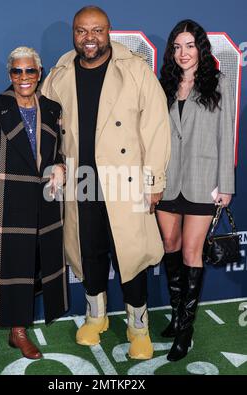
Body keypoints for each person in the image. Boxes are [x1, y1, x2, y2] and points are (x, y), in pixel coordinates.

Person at [41, 6, 170, 360]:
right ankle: (95, 317)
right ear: (74, 33)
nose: (90, 38)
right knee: (89, 252)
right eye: (82, 31)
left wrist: (154, 179)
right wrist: (53, 165)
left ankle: (138, 327)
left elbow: (157, 128)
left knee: (130, 256)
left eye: (97, 30)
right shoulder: (60, 72)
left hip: (125, 180)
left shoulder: (135, 70)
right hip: (81, 180)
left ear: (109, 31)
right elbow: (47, 126)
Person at [0, 47, 68, 366]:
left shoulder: (52, 109)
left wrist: (61, 165)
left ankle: (18, 331)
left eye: (30, 71)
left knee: (25, 272)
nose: (24, 78)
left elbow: (57, 153)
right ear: (9, 75)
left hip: (40, 209)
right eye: (17, 72)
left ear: (40, 73)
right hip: (0, 208)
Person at [156, 19, 235, 361]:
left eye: (189, 45)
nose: (183, 53)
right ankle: (176, 315)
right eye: (177, 46)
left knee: (191, 254)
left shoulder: (218, 83)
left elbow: (226, 137)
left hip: (204, 182)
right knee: (170, 247)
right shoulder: (165, 84)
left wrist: (226, 185)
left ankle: (185, 331)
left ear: (200, 48)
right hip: (168, 180)